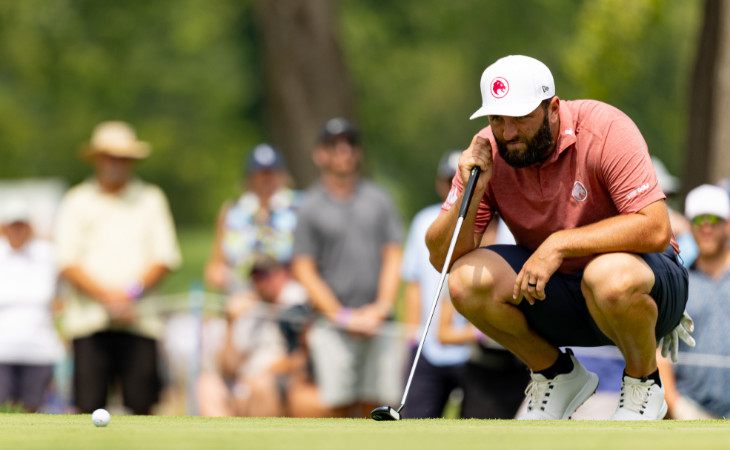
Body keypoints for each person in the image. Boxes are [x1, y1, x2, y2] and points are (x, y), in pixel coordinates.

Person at [425, 55, 692, 421]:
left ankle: (643, 383)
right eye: (496, 119)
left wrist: (559, 243)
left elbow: (655, 227)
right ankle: (555, 374)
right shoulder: (487, 151)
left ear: (552, 108)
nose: (508, 133)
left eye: (520, 117)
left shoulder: (605, 128)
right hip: (556, 290)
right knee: (464, 281)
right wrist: (470, 195)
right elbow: (442, 260)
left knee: (608, 276)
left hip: (647, 284)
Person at [54, 121, 182, 415]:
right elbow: (67, 261)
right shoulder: (77, 200)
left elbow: (164, 257)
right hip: (89, 321)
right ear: (97, 159)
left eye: (123, 158)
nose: (117, 164)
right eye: (110, 157)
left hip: (139, 319)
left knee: (142, 406)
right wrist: (107, 296)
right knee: (87, 408)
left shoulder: (151, 198)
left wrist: (129, 293)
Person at [291, 117, 405, 418]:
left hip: (379, 323)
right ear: (320, 154)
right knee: (336, 408)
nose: (343, 150)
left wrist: (381, 307)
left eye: (350, 143)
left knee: (379, 409)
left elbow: (394, 257)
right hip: (332, 325)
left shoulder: (380, 200)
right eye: (334, 145)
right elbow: (304, 269)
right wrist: (343, 316)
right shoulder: (310, 206)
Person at [197, 253, 326, 417]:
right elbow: (228, 368)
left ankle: (260, 442)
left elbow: (300, 357)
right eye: (255, 277)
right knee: (206, 385)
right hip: (245, 380)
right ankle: (224, 442)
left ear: (281, 274)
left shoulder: (298, 304)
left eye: (264, 276)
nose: (259, 283)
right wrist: (230, 322)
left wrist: (262, 375)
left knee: (260, 387)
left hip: (279, 381)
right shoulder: (249, 309)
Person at [658, 184, 730, 419]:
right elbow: (660, 353)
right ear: (689, 226)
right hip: (689, 412)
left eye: (713, 219)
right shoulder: (677, 284)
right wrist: (676, 406)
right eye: (699, 220)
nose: (706, 227)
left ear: (727, 225)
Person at [204, 143, 301, 295]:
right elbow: (214, 267)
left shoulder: (300, 208)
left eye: (271, 172)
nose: (266, 178)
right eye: (260, 173)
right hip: (243, 292)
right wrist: (226, 278)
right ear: (249, 177)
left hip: (290, 290)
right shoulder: (231, 211)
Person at [0, 199, 64, 412]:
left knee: (33, 408)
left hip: (39, 349)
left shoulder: (48, 253)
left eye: (22, 225)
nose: (17, 230)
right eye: (12, 225)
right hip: (3, 349)